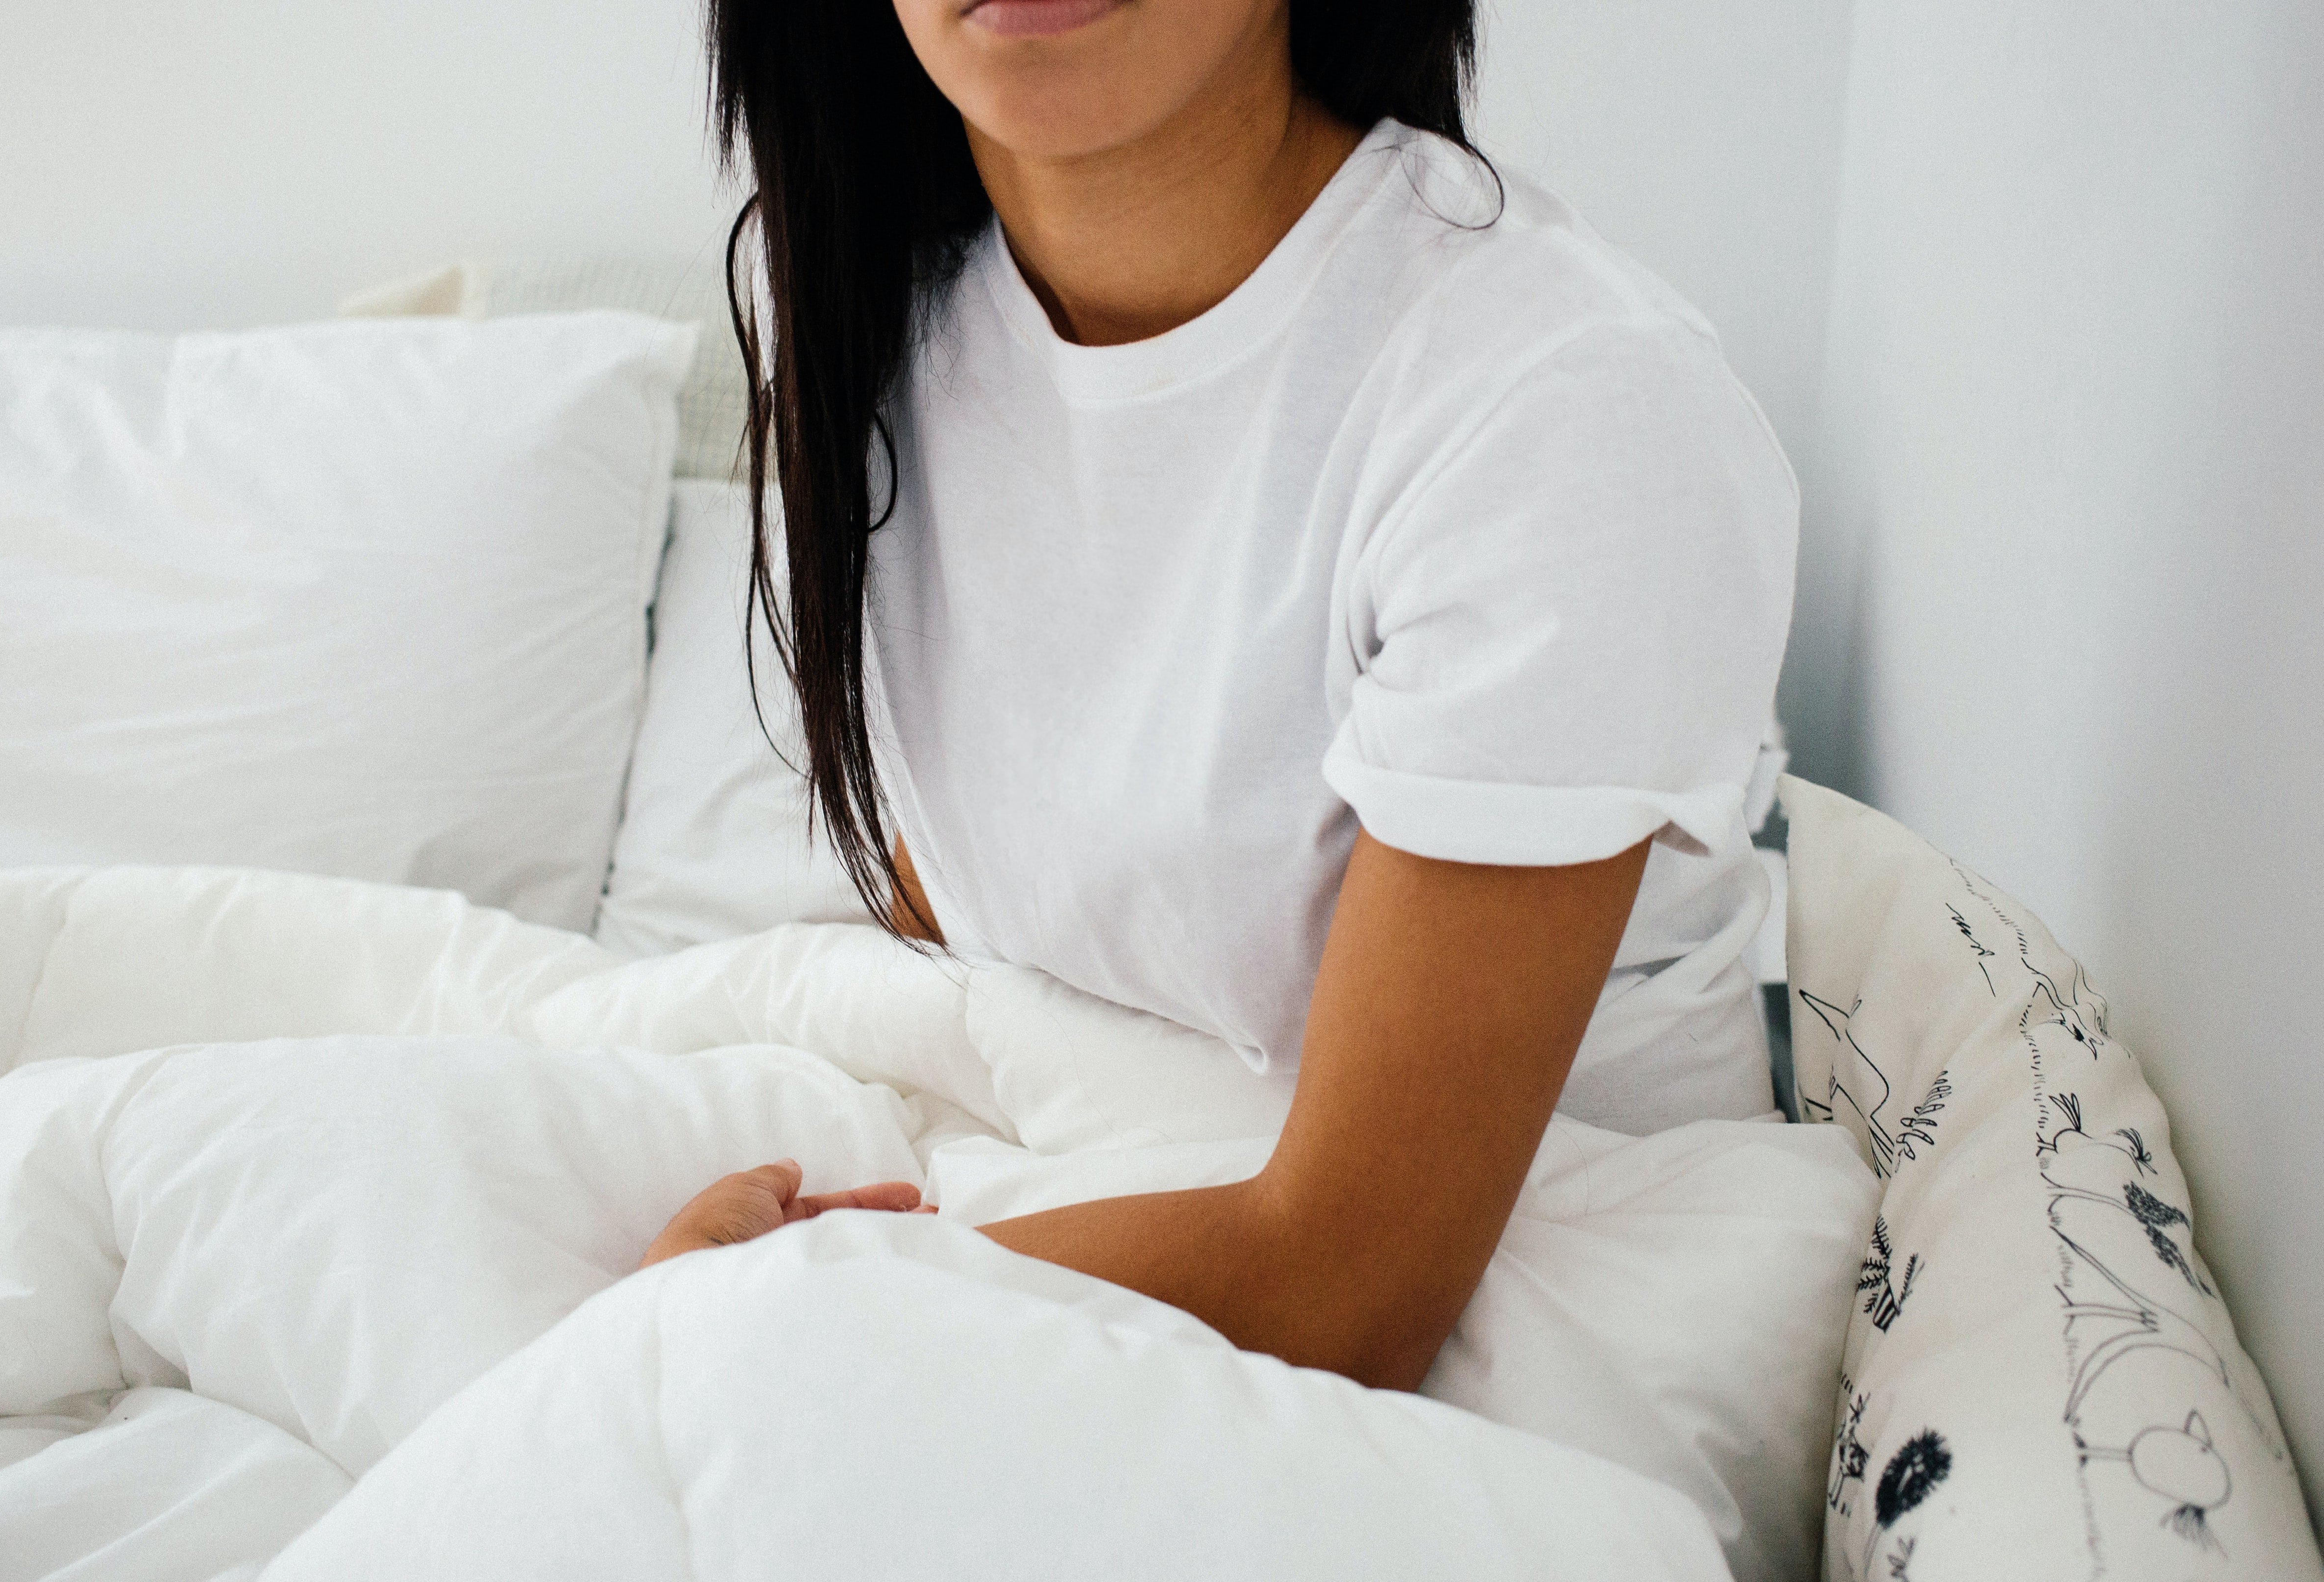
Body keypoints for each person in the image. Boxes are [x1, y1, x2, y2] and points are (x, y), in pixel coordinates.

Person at [642, 0, 1795, 1396]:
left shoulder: (1557, 393)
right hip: (1085, 1184)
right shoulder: (854, 301)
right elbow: (969, 893)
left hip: (1524, 1319)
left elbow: (1349, 1288)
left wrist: (779, 1304)